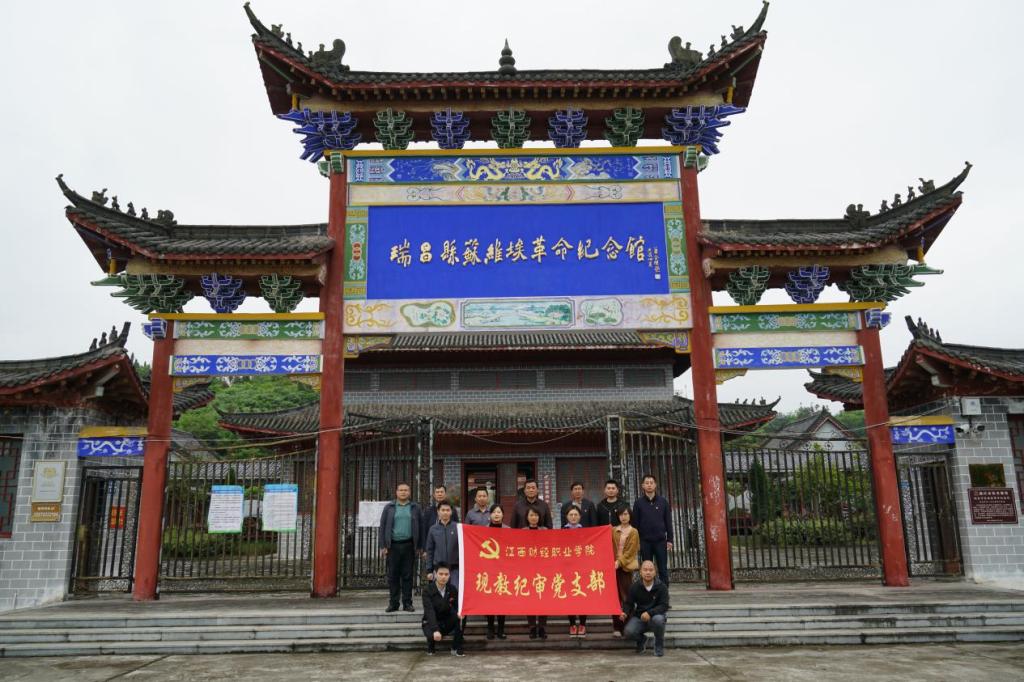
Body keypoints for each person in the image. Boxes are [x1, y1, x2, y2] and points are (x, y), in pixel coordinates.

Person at [379, 482, 421, 613]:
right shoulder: (389, 507)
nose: (403, 492)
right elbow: (382, 527)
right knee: (393, 576)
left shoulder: (415, 507)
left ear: (409, 492)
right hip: (393, 546)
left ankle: (407, 603)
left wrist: (420, 546)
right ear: (396, 492)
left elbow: (421, 526)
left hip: (409, 545)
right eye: (401, 490)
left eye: (406, 490)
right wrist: (383, 545)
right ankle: (393, 603)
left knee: (408, 575)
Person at [621, 560, 670, 657]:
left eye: (651, 570)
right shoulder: (635, 587)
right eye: (645, 570)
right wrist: (625, 612)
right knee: (628, 632)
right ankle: (642, 640)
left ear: (655, 572)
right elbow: (629, 603)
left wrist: (649, 613)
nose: (648, 572)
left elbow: (664, 605)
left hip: (655, 617)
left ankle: (659, 646)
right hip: (640, 618)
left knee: (659, 620)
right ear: (640, 572)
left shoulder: (662, 587)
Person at [632, 474, 673, 585]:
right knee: (646, 568)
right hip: (644, 541)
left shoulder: (663, 502)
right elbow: (635, 524)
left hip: (660, 541)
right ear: (643, 486)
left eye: (651, 483)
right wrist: (636, 542)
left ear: (655, 485)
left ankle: (664, 591)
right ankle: (647, 590)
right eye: (647, 483)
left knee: (662, 568)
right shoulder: (638, 503)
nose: (649, 485)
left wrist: (670, 540)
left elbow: (668, 522)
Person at [421, 562, 464, 656]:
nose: (443, 577)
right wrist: (435, 629)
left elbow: (457, 606)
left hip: (445, 621)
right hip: (431, 623)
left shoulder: (452, 589)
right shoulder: (427, 590)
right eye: (440, 574)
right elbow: (429, 611)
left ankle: (456, 647)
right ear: (435, 574)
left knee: (461, 615)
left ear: (449, 575)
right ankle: (431, 646)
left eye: (446, 574)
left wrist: (459, 613)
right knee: (431, 634)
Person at [611, 506, 639, 636]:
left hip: (625, 568)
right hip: (613, 567)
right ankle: (617, 627)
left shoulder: (634, 532)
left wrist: (619, 562)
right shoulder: (613, 530)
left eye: (626, 514)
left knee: (627, 597)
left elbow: (631, 551)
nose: (624, 517)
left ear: (630, 516)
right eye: (621, 514)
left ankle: (628, 626)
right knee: (615, 598)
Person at [562, 506, 588, 637]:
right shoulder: (562, 531)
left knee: (583, 597)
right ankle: (572, 624)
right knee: (570, 598)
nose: (573, 517)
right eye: (571, 515)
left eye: (576, 514)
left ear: (580, 517)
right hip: (567, 569)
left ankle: (582, 624)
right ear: (567, 517)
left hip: (582, 569)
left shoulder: (586, 531)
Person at [484, 504, 509, 640]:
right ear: (490, 515)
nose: (496, 514)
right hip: (489, 570)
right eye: (494, 512)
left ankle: (501, 630)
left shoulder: (509, 530)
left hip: (503, 571)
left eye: (499, 512)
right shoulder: (482, 530)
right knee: (489, 601)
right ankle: (490, 629)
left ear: (503, 514)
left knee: (502, 602)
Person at [523, 508, 548, 639]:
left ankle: (542, 627)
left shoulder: (545, 531)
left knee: (543, 599)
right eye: (531, 515)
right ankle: (532, 627)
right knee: (530, 600)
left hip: (543, 570)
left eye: (536, 515)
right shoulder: (522, 532)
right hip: (528, 570)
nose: (534, 517)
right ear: (527, 517)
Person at [425, 501, 460, 589]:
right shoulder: (433, 529)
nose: (445, 512)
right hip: (438, 568)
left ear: (451, 512)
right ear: (438, 511)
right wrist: (429, 570)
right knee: (439, 594)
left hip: (455, 569)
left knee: (454, 592)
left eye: (447, 510)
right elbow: (430, 550)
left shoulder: (458, 527)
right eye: (443, 510)